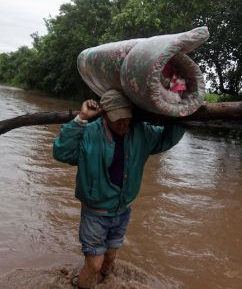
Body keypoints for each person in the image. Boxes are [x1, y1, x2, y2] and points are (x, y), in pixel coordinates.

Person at [53, 89, 185, 288]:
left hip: (123, 210)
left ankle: (104, 282)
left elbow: (167, 138)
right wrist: (81, 119)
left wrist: (179, 113)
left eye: (126, 118)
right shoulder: (89, 133)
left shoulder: (141, 132)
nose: (123, 124)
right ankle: (83, 283)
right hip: (95, 213)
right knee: (94, 264)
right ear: (104, 116)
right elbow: (61, 152)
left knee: (110, 257)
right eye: (117, 119)